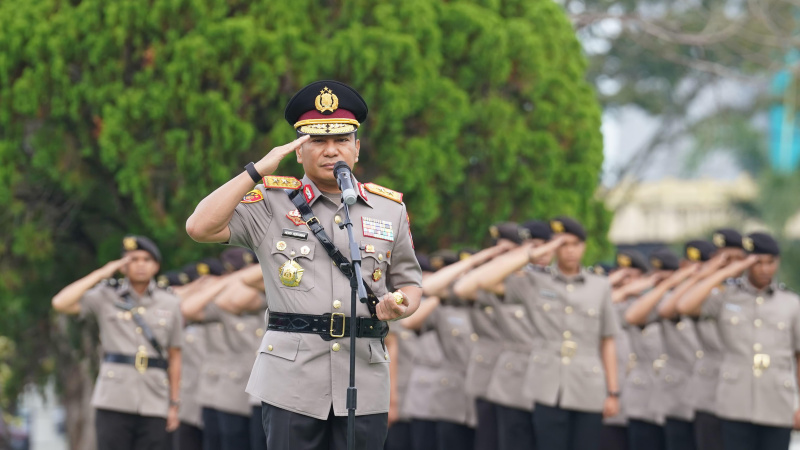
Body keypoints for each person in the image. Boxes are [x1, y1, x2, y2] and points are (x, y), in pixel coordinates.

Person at [185, 80, 423, 450]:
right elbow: (199, 227)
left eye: (342, 139)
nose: (331, 150)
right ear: (299, 151)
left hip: (363, 377)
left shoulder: (388, 209)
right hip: (291, 381)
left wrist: (400, 304)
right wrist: (255, 172)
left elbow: (410, 281)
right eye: (318, 141)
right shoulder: (271, 201)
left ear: (357, 148)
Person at [467, 216, 620, 450]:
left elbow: (607, 340)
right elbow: (485, 281)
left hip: (588, 386)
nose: (569, 251)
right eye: (562, 244)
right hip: (546, 385)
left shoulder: (600, 286)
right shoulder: (536, 282)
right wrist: (530, 254)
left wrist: (613, 392)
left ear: (584, 246)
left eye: (575, 244)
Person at [52, 236, 182, 450]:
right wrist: (101, 273)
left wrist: (174, 404)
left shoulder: (170, 302)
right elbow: (61, 303)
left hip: (155, 399)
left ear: (156, 266)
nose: (140, 265)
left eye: (146, 259)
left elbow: (175, 356)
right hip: (114, 399)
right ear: (122, 266)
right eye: (133, 259)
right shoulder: (106, 296)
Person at [678, 232, 800, 450]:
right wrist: (726, 271)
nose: (764, 269)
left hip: (777, 403)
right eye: (757, 262)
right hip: (735, 404)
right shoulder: (726, 297)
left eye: (770, 262)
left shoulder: (791, 303)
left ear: (778, 262)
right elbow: (684, 306)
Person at [180, 258, 265, 450]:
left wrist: (231, 280)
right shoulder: (231, 300)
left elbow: (231, 300)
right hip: (228, 391)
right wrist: (219, 284)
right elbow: (187, 308)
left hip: (250, 390)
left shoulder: (265, 294)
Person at [600, 249, 651, 450]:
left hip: (645, 401)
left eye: (631, 276)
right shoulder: (608, 305)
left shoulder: (652, 306)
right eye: (621, 275)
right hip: (612, 398)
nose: (625, 281)